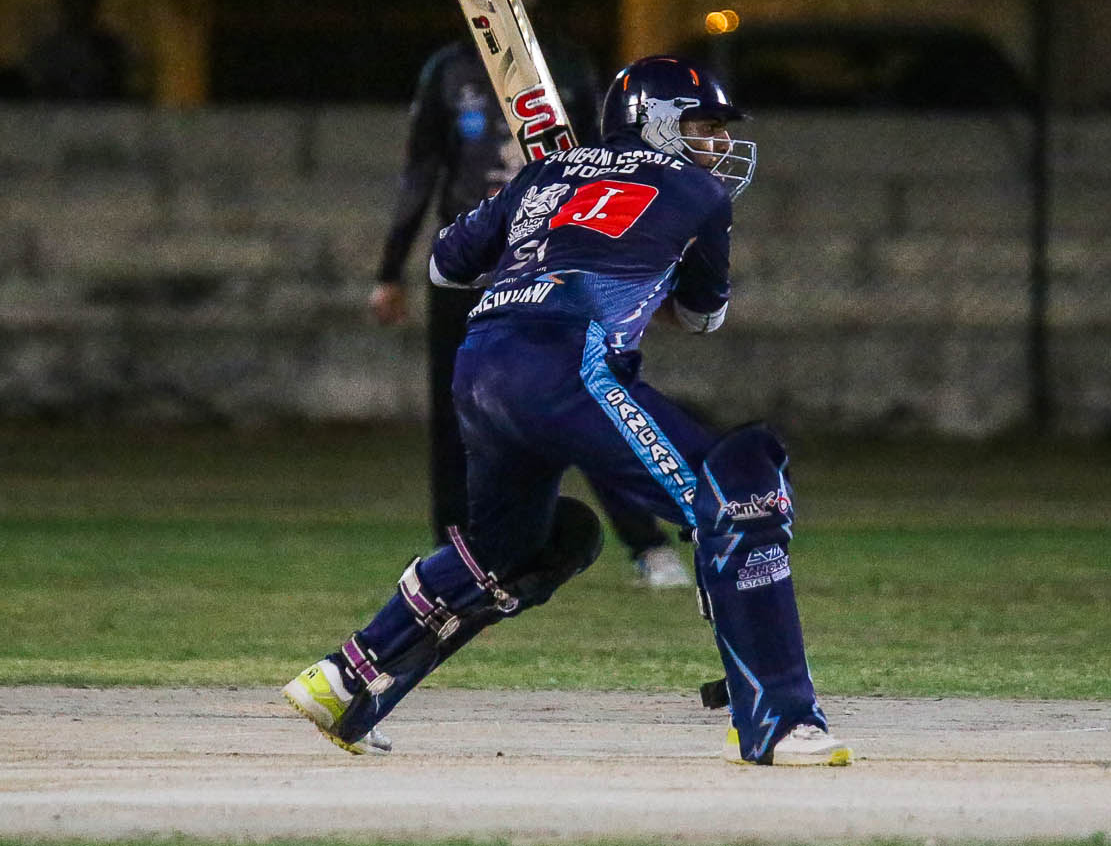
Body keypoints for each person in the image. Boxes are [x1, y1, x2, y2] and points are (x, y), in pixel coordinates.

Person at [285, 56, 851, 766]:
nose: (717, 142)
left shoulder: (543, 174)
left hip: (480, 364)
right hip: (567, 362)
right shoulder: (699, 191)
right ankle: (779, 721)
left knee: (523, 547)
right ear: (656, 122)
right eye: (703, 125)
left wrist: (544, 222)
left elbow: (445, 265)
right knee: (741, 490)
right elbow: (704, 315)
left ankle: (347, 679)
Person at [370, 0, 690, 588]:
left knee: (585, 399)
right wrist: (390, 270)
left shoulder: (566, 67)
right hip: (469, 271)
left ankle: (647, 545)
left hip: (553, 267)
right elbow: (421, 171)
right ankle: (459, 554)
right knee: (459, 414)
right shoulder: (448, 71)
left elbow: (611, 165)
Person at [24, 0, 132, 101]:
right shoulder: (48, 50)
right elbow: (35, 92)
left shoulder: (111, 48)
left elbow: (122, 91)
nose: (80, 6)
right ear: (64, 1)